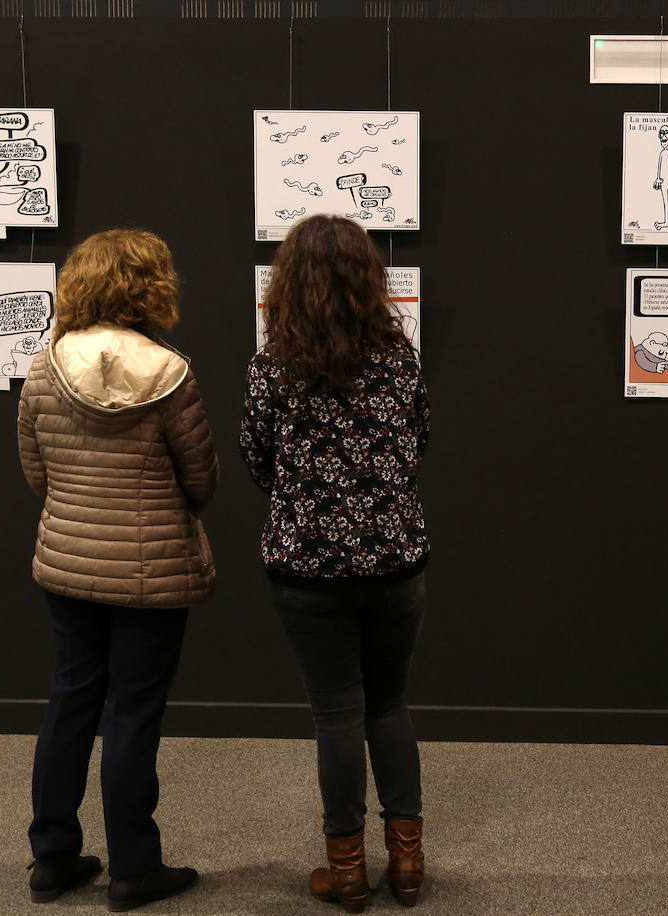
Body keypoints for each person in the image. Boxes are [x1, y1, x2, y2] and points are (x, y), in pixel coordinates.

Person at [18, 229, 217, 911]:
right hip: (149, 572)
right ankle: (134, 868)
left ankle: (53, 856)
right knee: (133, 713)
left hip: (68, 563)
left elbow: (34, 472)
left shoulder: (45, 365)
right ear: (150, 285)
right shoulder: (169, 372)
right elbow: (201, 481)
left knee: (71, 696)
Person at [240, 215, 430, 912]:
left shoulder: (273, 367)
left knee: (336, 716)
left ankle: (345, 869)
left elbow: (256, 458)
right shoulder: (400, 359)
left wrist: (309, 502)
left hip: (306, 567)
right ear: (367, 280)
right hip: (395, 561)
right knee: (389, 703)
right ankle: (407, 862)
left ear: (288, 284)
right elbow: (418, 442)